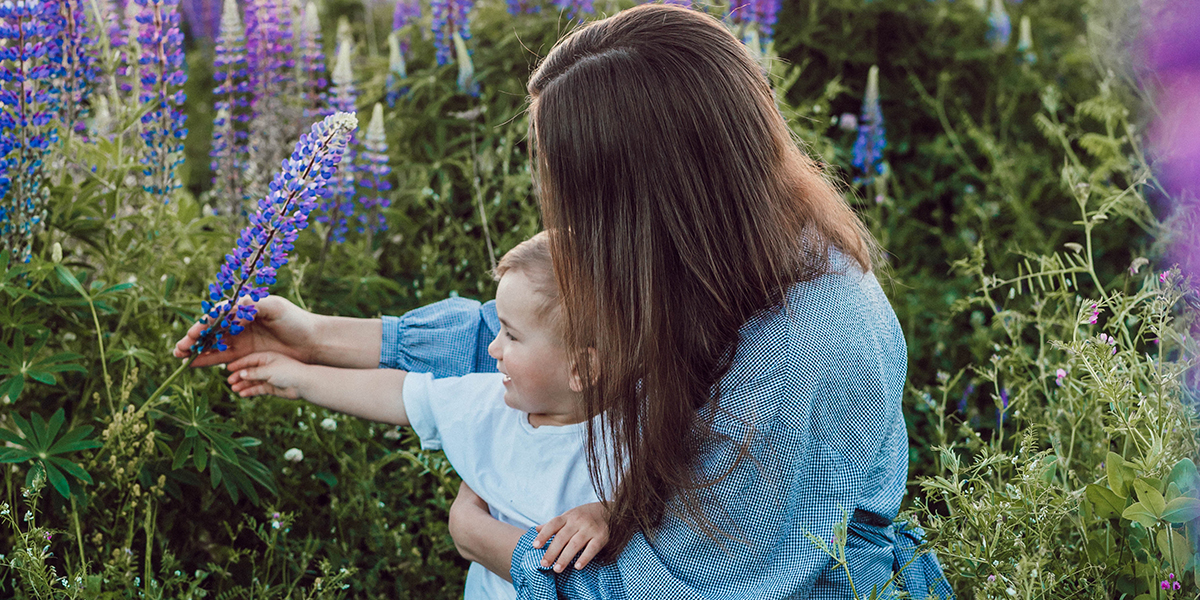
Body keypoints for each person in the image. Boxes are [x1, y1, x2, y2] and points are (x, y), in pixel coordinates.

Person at [176, 4, 954, 598]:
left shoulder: (806, 350)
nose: (559, 217)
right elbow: (535, 334)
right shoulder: (720, 249)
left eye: (574, 186)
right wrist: (312, 337)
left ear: (651, 192)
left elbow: (670, 588)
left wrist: (489, 543)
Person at [201, 233, 614, 600]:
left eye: (511, 334)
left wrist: (609, 512)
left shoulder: (636, 430)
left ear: (581, 369)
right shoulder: (488, 403)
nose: (493, 349)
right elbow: (397, 394)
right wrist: (298, 377)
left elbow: (660, 500)